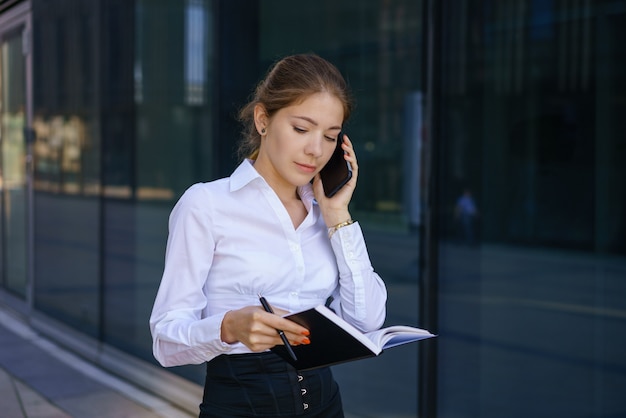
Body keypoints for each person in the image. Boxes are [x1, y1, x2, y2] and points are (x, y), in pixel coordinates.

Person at [149, 53, 387, 417]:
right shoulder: (206, 205)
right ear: (263, 120)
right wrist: (228, 328)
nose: (315, 150)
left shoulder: (327, 214)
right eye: (301, 129)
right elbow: (166, 340)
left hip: (326, 407)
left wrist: (339, 215)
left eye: (330, 136)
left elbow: (367, 322)